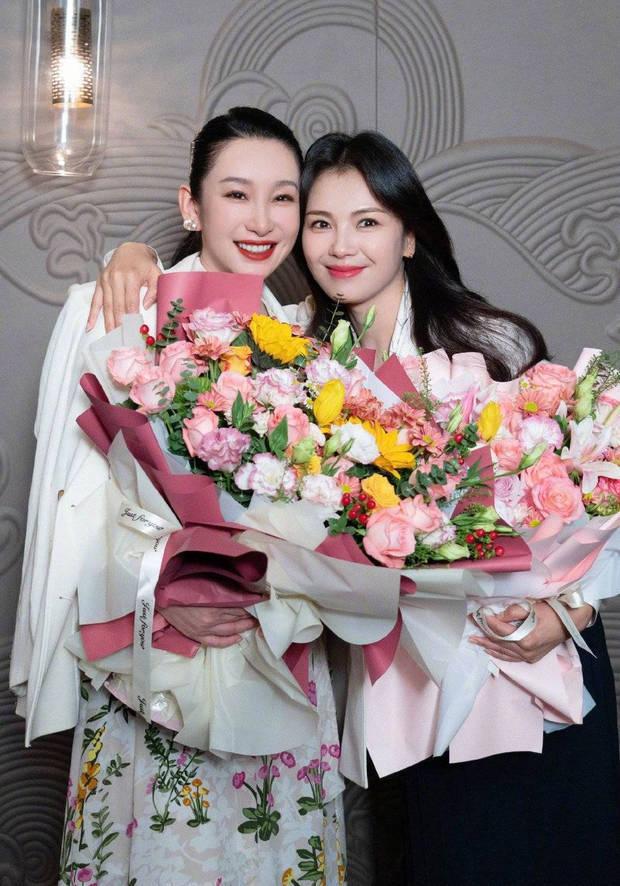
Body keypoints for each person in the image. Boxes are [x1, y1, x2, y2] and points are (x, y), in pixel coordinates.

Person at [95, 128, 620, 886]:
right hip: (417, 684)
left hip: (542, 662)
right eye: (320, 222)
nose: (342, 245)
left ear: (409, 234)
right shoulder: (287, 353)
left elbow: (587, 485)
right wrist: (134, 256)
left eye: (368, 221)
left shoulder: (489, 341)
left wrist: (570, 610)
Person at [11, 108, 346, 886]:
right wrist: (164, 593)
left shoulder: (312, 341)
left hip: (277, 654)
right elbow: (70, 508)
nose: (261, 221)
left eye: (283, 198)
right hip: (147, 664)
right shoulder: (116, 309)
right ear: (191, 205)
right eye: (236, 194)